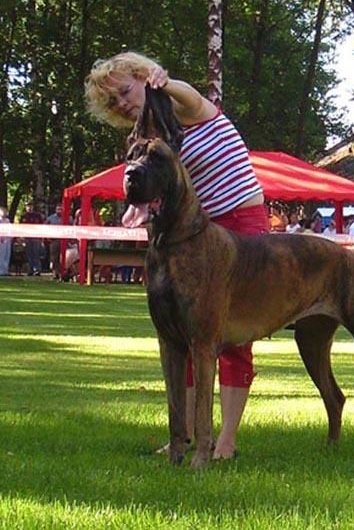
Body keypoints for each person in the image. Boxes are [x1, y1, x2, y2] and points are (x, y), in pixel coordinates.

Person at [85, 51, 268, 460]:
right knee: (181, 333)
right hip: (194, 233)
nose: (122, 103)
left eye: (125, 91)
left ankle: (226, 441)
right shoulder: (148, 135)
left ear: (143, 77)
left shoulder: (182, 106)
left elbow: (190, 96)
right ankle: (182, 436)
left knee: (232, 336)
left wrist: (164, 83)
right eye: (113, 102)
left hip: (240, 221)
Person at [45, 203, 73, 279]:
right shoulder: (50, 218)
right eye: (58, 209)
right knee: (54, 257)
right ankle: (55, 273)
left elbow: (72, 228)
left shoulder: (69, 218)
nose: (59, 211)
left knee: (66, 257)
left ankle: (64, 273)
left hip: (65, 240)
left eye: (61, 209)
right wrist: (47, 237)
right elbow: (45, 227)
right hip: (54, 240)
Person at [20, 202, 44, 276]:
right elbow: (21, 227)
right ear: (26, 207)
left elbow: (42, 226)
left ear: (33, 207)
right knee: (28, 255)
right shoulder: (23, 216)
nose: (29, 208)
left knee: (36, 254)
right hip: (27, 238)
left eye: (30, 206)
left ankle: (37, 270)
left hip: (36, 238)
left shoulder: (37, 216)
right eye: (28, 206)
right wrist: (21, 238)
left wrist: (41, 237)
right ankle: (30, 269)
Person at [0, 206, 11, 276]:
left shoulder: (7, 220)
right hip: (1, 239)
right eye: (2, 211)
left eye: (5, 211)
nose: (4, 212)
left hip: (7, 239)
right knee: (1, 254)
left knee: (7, 254)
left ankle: (5, 270)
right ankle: (1, 270)